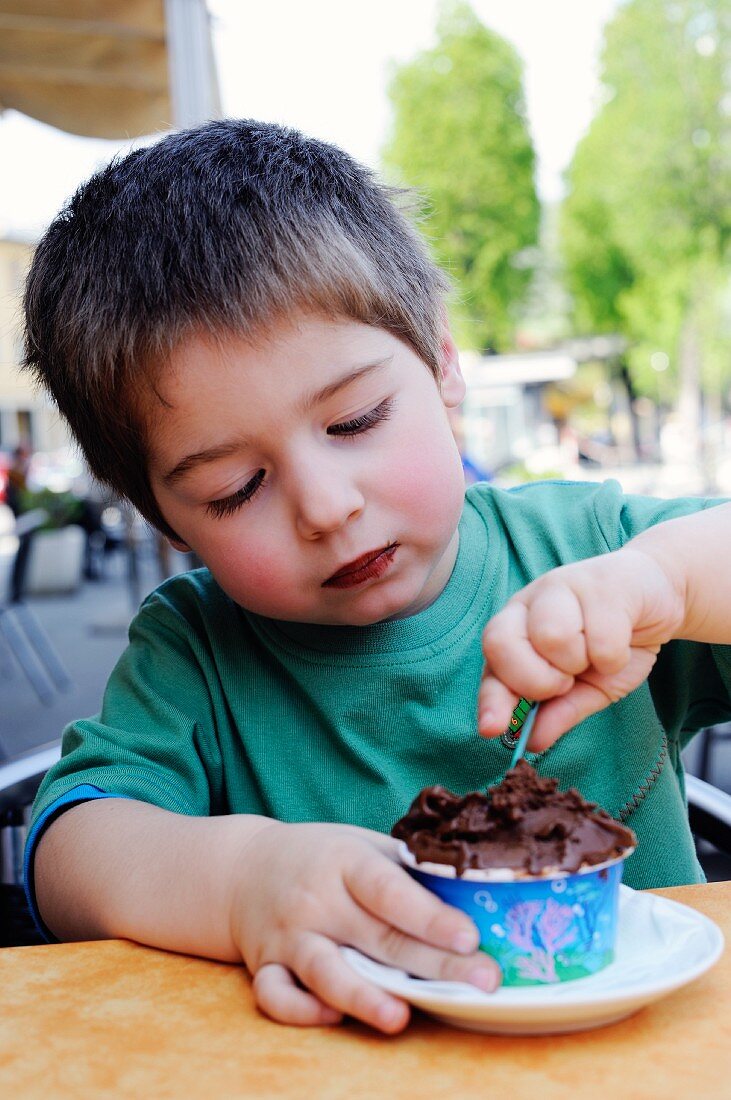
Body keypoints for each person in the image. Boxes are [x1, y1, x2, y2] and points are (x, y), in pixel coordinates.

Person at [20, 120, 731, 1035]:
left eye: (354, 421)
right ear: (164, 518)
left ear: (441, 366)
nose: (324, 506)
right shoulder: (196, 650)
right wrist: (242, 883)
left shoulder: (592, 548)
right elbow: (69, 849)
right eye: (234, 490)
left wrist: (668, 583)